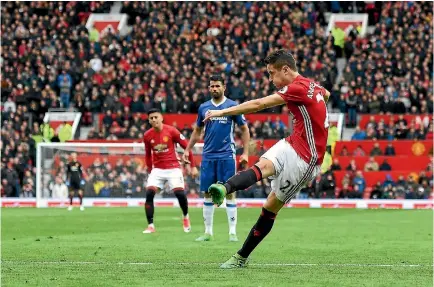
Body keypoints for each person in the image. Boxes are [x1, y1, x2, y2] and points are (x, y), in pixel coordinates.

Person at [203, 50, 330, 268]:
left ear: (285, 69)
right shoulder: (312, 85)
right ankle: (225, 188)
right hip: (292, 143)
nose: (271, 79)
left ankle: (241, 257)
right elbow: (326, 94)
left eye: (272, 74)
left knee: (271, 207)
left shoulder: (296, 88)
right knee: (262, 166)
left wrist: (221, 112)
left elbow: (258, 105)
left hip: (307, 160)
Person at [183, 75, 250, 242]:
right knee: (207, 193)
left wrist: (246, 152)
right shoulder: (204, 108)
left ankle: (232, 232)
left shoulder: (232, 106)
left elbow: (244, 129)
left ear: (224, 87)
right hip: (208, 156)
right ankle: (208, 232)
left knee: (229, 193)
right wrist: (187, 149)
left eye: (217, 86)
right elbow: (197, 131)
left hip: (227, 155)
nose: (214, 89)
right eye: (212, 86)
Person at [142, 109, 198, 234]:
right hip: (157, 169)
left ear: (161, 118)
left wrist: (193, 166)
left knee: (180, 194)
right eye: (151, 118)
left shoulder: (172, 131)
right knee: (149, 194)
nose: (154, 120)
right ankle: (150, 225)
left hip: (173, 168)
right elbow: (147, 155)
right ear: (149, 121)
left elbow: (187, 148)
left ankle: (185, 217)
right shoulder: (147, 135)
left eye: (156, 117)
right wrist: (150, 171)